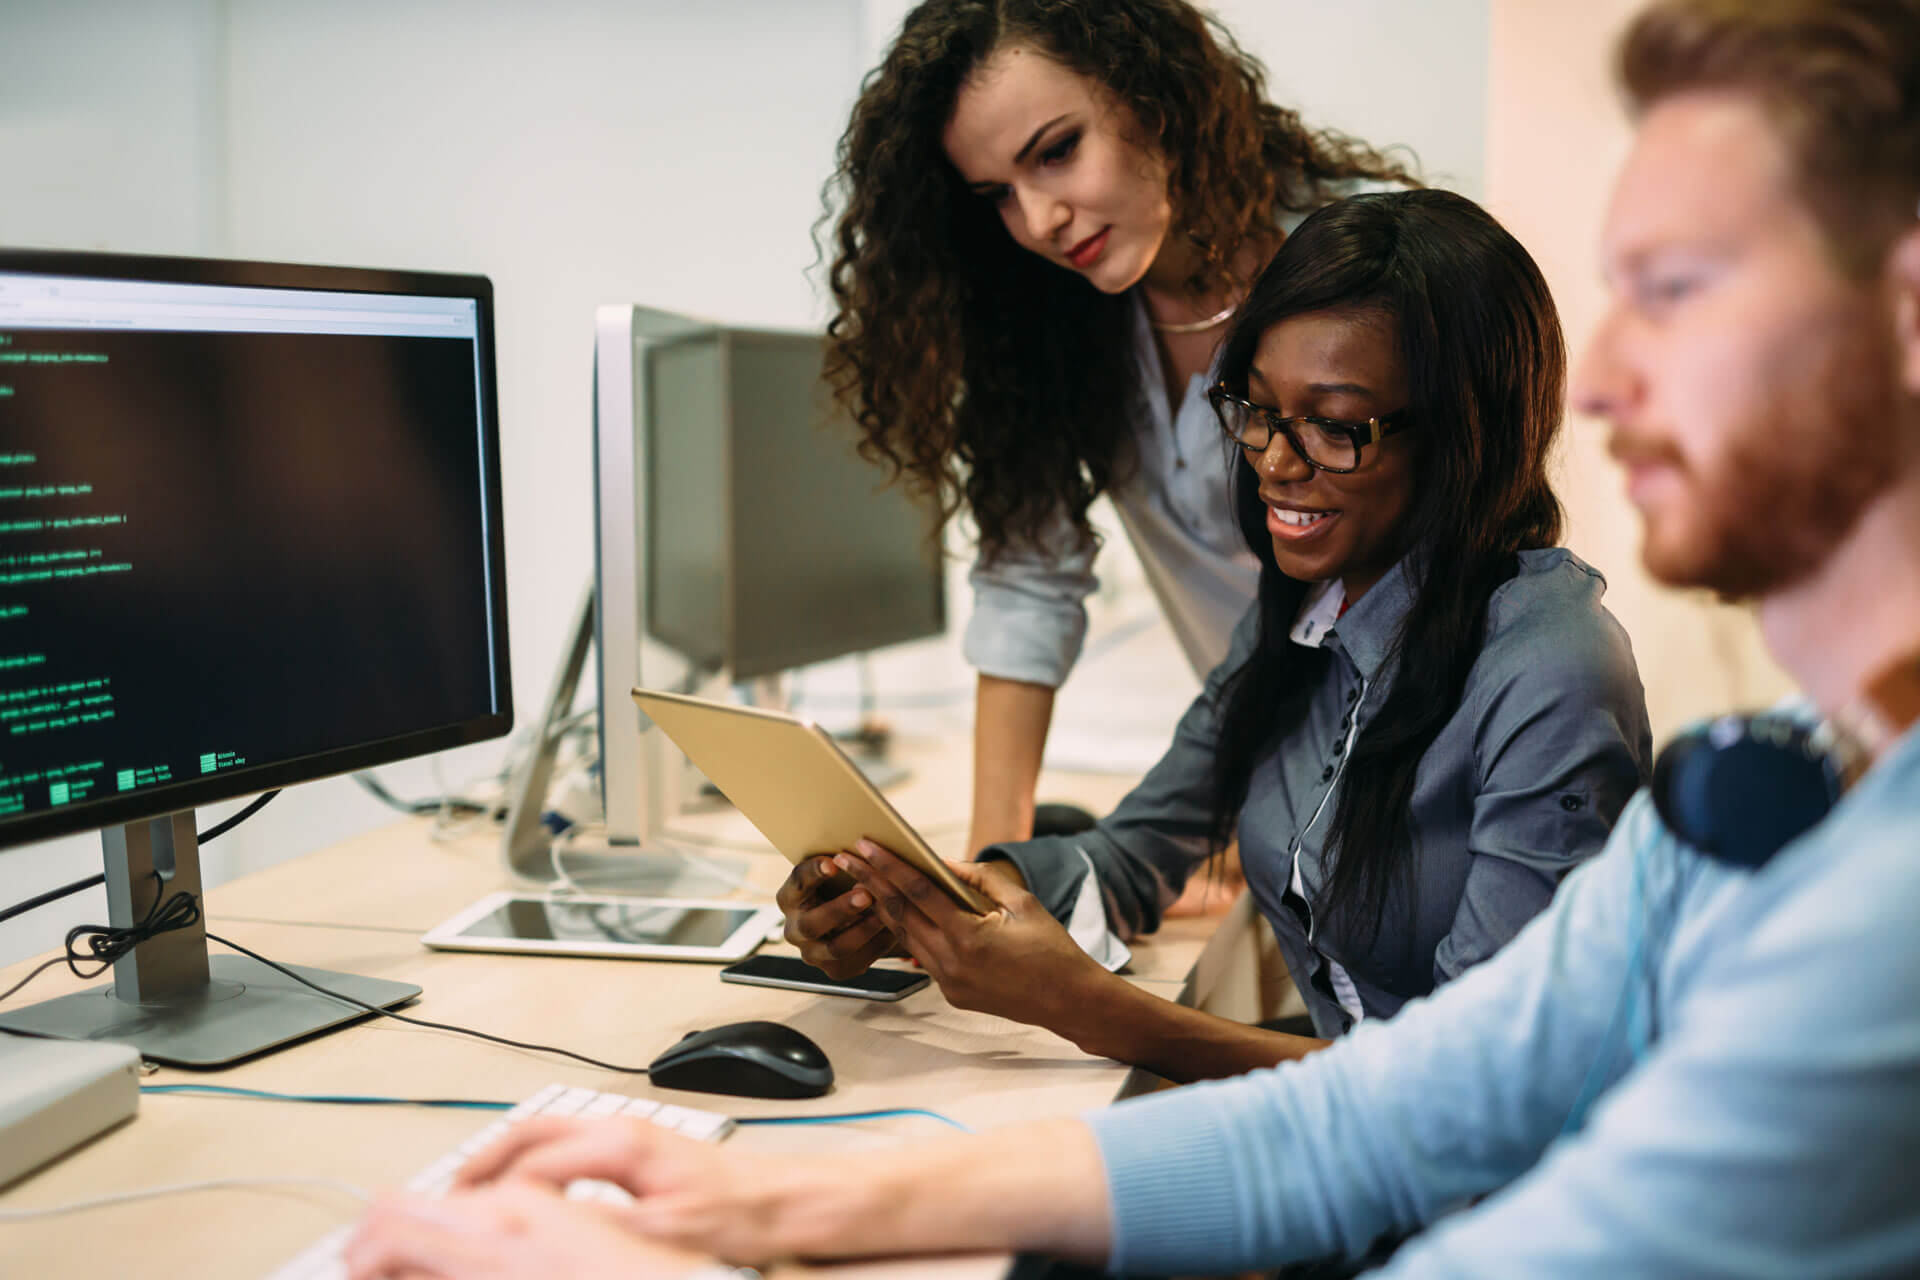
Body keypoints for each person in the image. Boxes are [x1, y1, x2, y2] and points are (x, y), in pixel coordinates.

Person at [342, 0, 1920, 1275]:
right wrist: (758, 1204)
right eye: (1256, 420)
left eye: (1680, 288)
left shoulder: (1844, 894)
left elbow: (1479, 1174)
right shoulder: (1760, 788)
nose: (1610, 377)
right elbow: (1376, 1119)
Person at [790, 188, 1651, 1082]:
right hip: (1345, 1154)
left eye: (1334, 425)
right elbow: (1130, 859)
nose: (1277, 461)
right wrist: (914, 906)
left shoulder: (1552, 672)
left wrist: (1092, 1009)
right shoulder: (1307, 612)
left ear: (1466, 436)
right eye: (1260, 409)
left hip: (1483, 1197)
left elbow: (1479, 1084)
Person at [820, 0, 1415, 857]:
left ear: (1153, 95)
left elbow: (1454, 571)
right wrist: (994, 874)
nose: (1038, 221)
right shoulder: (1063, 325)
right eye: (998, 196)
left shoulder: (1374, 265)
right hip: (1268, 784)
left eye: (1057, 153)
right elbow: (1030, 580)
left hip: (1424, 786)